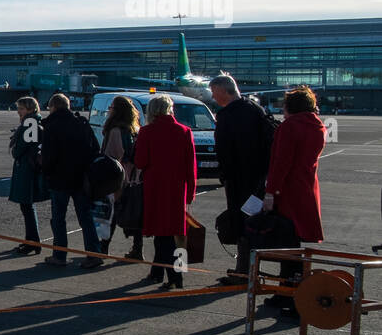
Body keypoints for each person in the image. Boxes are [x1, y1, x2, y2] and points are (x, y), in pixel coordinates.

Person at [262, 86, 326, 320]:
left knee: (286, 245)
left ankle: (292, 294)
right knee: (294, 245)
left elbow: (281, 162)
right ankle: (286, 291)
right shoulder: (317, 125)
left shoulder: (290, 127)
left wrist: (270, 192)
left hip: (288, 191)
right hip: (307, 188)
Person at [210, 73, 274, 283]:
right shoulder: (256, 110)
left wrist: (224, 175)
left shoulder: (227, 115)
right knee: (253, 221)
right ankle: (248, 268)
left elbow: (224, 150)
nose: (213, 96)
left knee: (241, 221)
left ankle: (243, 271)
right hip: (258, 178)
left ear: (223, 90)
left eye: (214, 92)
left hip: (239, 179)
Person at [134, 93, 196, 290]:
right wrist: (191, 192)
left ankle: (172, 275)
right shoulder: (184, 131)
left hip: (155, 187)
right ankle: (160, 271)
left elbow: (140, 161)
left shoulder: (147, 132)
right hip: (177, 188)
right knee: (174, 233)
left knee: (162, 234)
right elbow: (191, 166)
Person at [40, 93, 102, 269]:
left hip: (60, 178)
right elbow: (94, 148)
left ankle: (59, 255)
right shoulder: (81, 123)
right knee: (85, 217)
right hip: (81, 177)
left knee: (58, 218)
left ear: (53, 107)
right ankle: (93, 253)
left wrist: (45, 170)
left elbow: (49, 156)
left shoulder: (52, 126)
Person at [101, 94, 142, 259]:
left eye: (111, 107)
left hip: (118, 178)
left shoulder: (116, 130)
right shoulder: (134, 130)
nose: (109, 110)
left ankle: (103, 249)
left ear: (116, 111)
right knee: (135, 212)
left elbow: (112, 156)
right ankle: (137, 249)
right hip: (134, 177)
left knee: (111, 214)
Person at [7, 97, 44, 254]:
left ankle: (33, 241)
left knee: (27, 206)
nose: (18, 111)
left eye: (21, 108)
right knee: (27, 206)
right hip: (30, 168)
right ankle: (31, 240)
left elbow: (21, 149)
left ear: (30, 109)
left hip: (26, 170)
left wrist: (16, 144)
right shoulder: (34, 122)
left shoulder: (30, 124)